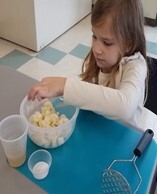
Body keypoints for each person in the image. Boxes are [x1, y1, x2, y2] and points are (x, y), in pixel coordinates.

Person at [28, 0, 157, 142]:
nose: (96, 49)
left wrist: (65, 86)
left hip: (129, 140)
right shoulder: (102, 57)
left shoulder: (136, 66)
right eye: (94, 36)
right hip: (102, 132)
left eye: (107, 43)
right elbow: (93, 96)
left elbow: (124, 107)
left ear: (129, 43)